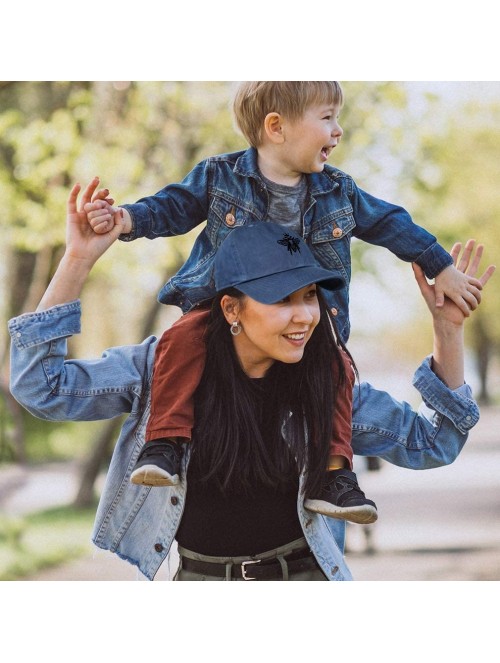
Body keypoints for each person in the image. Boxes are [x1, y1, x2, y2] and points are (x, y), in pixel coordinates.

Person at [8, 179, 494, 581]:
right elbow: (41, 387)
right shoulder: (162, 370)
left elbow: (436, 442)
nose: (305, 315)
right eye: (282, 299)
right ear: (232, 309)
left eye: (310, 296)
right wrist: (76, 261)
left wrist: (446, 331)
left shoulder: (325, 385)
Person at [83, 82, 483, 522]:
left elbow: (390, 222)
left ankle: (333, 475)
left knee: (337, 369)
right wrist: (127, 219)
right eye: (327, 117)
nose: (338, 130)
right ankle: (166, 444)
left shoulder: (340, 193)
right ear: (276, 126)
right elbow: (173, 206)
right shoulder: (220, 176)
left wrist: (438, 265)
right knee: (180, 340)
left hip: (307, 324)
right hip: (221, 312)